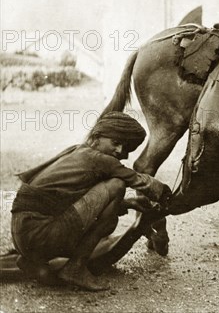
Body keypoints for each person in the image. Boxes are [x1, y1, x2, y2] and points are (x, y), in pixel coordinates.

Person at [10, 111, 170, 291]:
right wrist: (167, 195)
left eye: (126, 149)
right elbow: (136, 179)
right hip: (41, 234)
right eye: (115, 143)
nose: (120, 151)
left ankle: (34, 261)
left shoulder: (77, 151)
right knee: (117, 185)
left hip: (24, 234)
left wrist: (127, 203)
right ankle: (76, 267)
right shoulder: (99, 159)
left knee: (111, 198)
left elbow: (73, 198)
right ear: (96, 136)